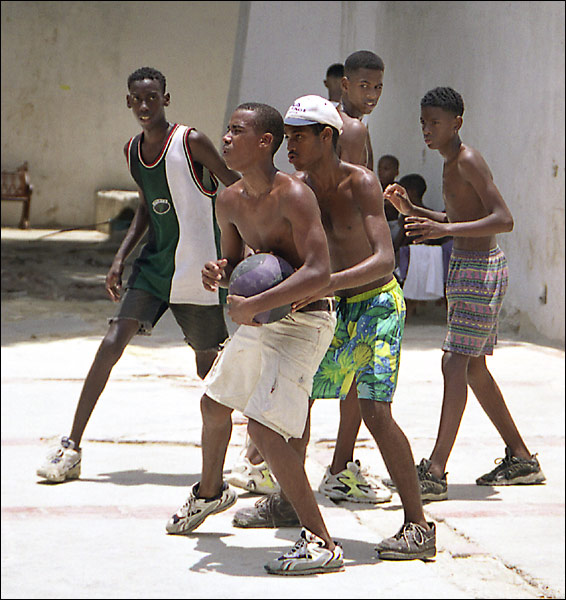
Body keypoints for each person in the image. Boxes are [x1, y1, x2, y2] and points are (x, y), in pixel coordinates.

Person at [232, 95, 436, 561]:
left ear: (327, 137)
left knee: (375, 412)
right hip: (329, 310)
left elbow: (384, 258)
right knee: (297, 403)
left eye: (299, 136)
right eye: (287, 136)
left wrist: (323, 282)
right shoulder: (296, 187)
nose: (290, 145)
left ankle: (419, 526)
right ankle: (288, 501)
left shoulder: (360, 183)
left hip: (377, 305)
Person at [165, 102, 344, 576]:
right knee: (213, 403)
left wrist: (253, 306)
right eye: (226, 130)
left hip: (308, 320)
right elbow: (237, 269)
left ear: (265, 142)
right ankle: (210, 492)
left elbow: (321, 272)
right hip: (263, 316)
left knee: (264, 429)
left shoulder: (295, 195)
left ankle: (321, 541)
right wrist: (218, 274)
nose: (225, 138)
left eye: (236, 131)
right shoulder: (228, 201)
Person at [36, 67, 240, 483]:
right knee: (112, 341)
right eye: (137, 99)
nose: (145, 105)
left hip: (199, 268)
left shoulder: (191, 141)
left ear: (166, 98)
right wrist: (120, 257)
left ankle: (260, 449)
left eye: (152, 97)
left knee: (210, 368)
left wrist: (240, 251)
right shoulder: (132, 151)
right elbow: (148, 205)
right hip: (155, 266)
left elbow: (235, 186)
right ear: (128, 102)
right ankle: (71, 445)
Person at [384, 86, 545, 501]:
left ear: (457, 122)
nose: (426, 129)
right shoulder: (448, 162)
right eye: (423, 122)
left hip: (480, 270)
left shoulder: (467, 159)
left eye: (434, 122)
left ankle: (435, 470)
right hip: (464, 269)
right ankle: (522, 458)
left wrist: (446, 231)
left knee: (455, 365)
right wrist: (414, 212)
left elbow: (503, 219)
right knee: (472, 369)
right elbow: (457, 216)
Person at [377, 154, 401, 243]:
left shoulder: (397, 188)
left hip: (393, 225)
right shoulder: (376, 187)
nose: (381, 172)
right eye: (379, 169)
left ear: (396, 172)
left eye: (386, 169)